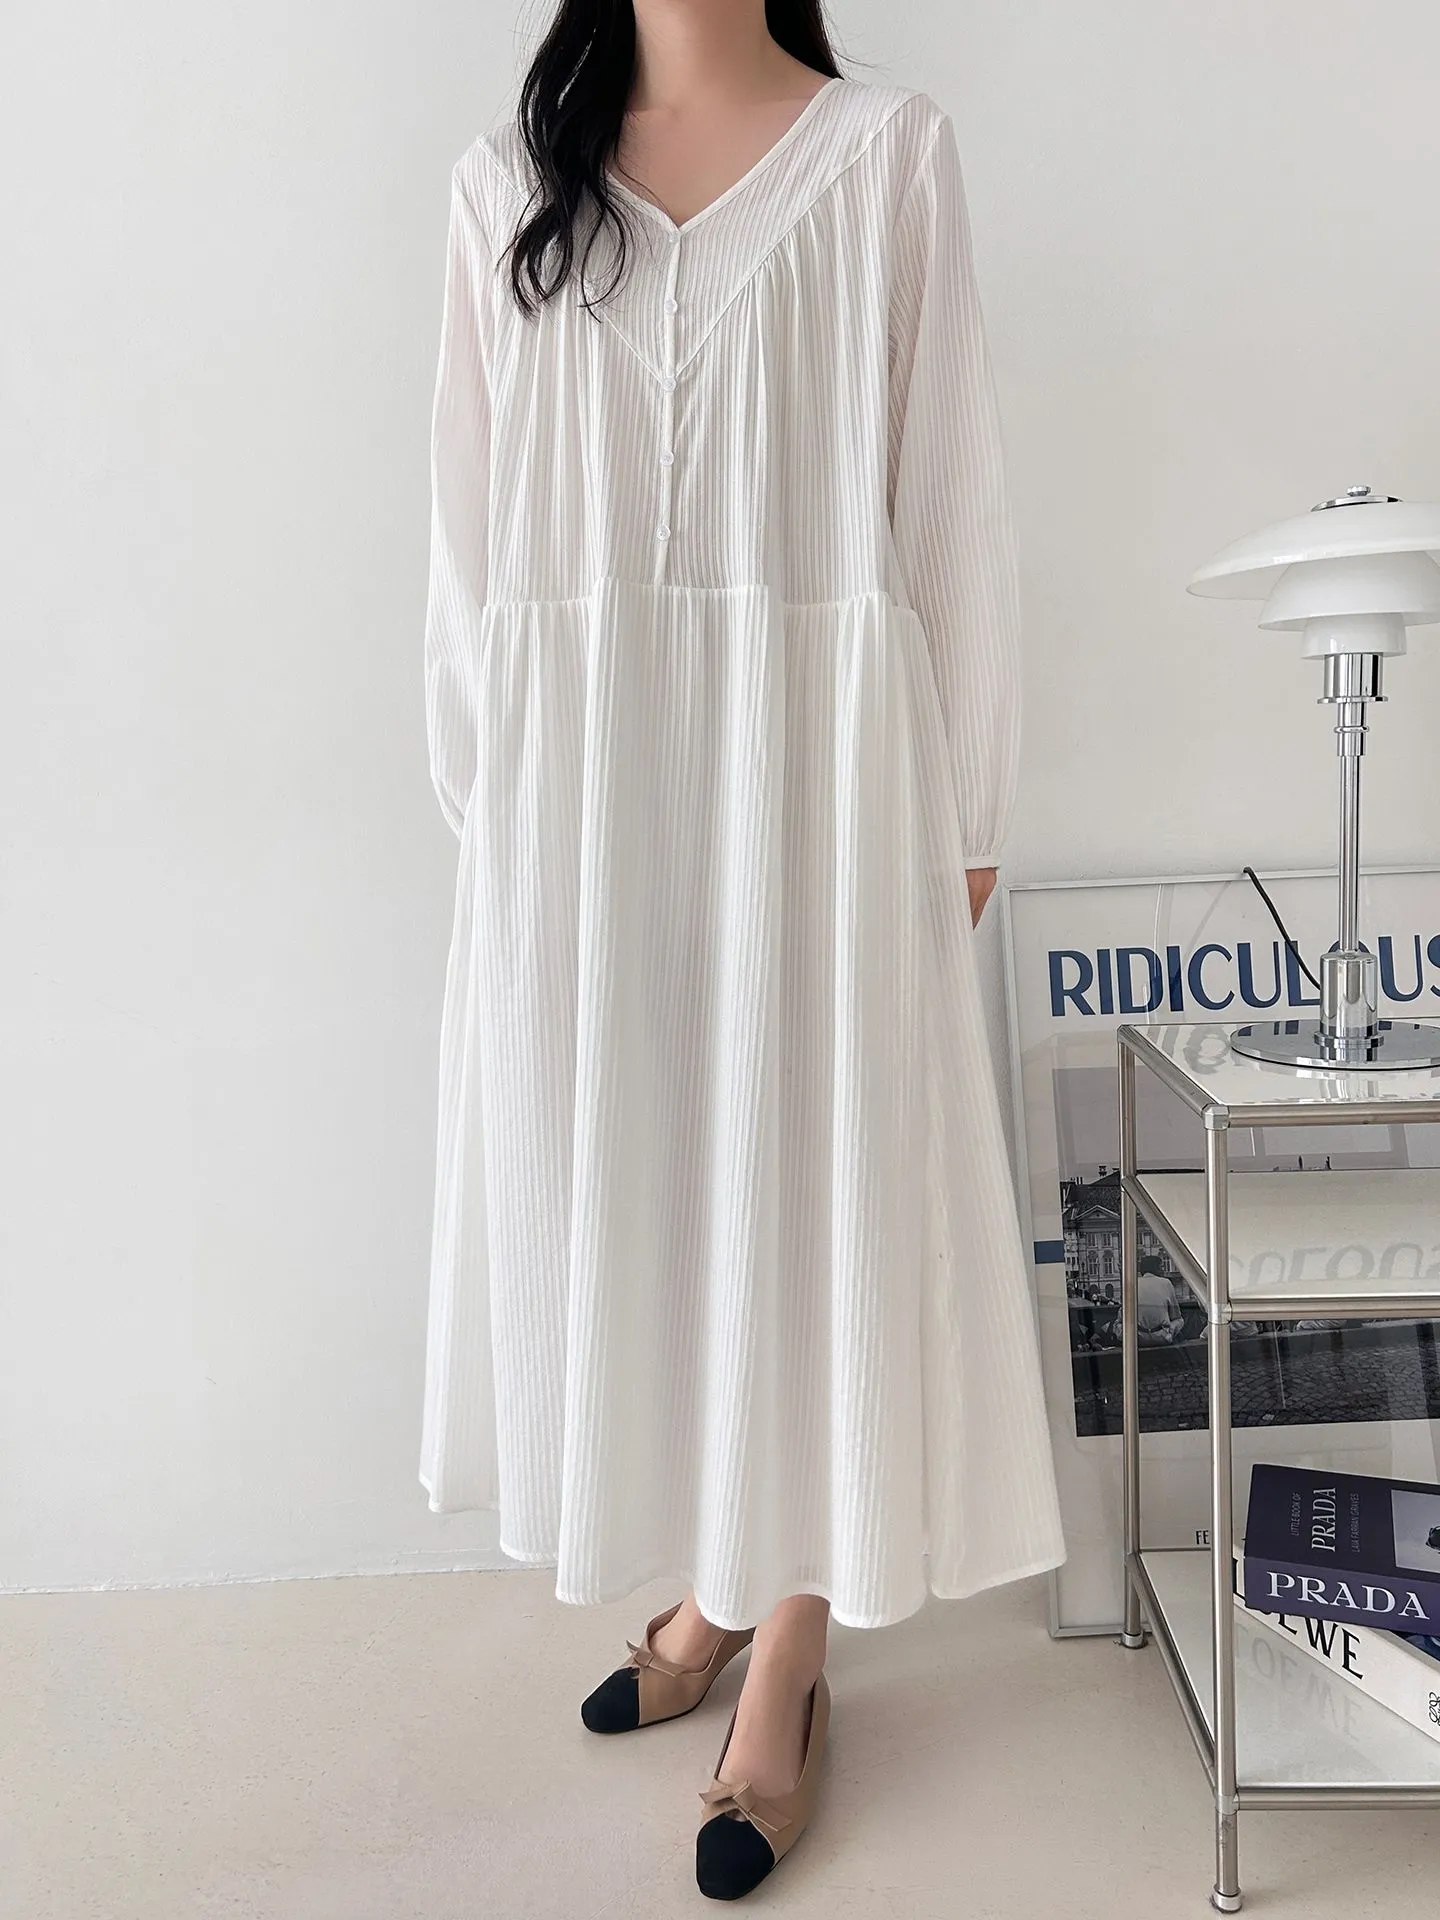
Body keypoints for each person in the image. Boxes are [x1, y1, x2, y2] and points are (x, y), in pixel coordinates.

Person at [417, 1, 1067, 1899]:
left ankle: (786, 1645)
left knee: (808, 1191)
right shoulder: (505, 188)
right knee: (657, 1191)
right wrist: (495, 805)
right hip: (586, 800)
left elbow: (951, 495)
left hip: (825, 785)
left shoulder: (884, 157)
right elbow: (466, 547)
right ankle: (710, 1576)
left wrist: (963, 814)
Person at [1135, 1255, 1185, 1346]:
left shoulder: (1133, 1283)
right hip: (1161, 1337)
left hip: (1137, 1338)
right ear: (1156, 1268)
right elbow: (1176, 1315)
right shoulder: (1166, 1283)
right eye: (1161, 1267)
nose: (1163, 1270)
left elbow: (1122, 1316)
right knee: (1180, 1320)